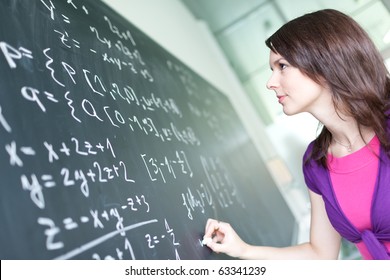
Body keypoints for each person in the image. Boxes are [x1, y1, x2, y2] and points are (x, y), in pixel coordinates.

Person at [204, 9, 390, 260]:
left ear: (324, 62)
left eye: (282, 66)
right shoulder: (316, 163)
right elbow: (321, 254)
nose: (270, 82)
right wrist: (244, 250)